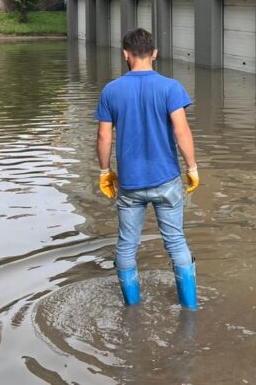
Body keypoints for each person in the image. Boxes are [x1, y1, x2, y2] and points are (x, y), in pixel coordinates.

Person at [95, 28, 201, 309]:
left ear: (125, 54)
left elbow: (104, 137)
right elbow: (182, 132)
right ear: (155, 54)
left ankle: (132, 308)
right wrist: (192, 167)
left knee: (127, 245)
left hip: (130, 185)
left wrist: (105, 171)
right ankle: (190, 308)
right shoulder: (171, 87)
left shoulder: (111, 90)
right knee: (176, 242)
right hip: (166, 180)